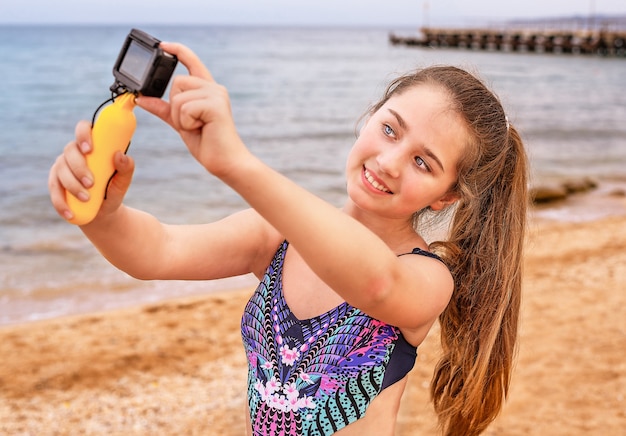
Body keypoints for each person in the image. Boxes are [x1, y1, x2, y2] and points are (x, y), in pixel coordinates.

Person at [48, 42, 528, 436]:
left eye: (425, 162)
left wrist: (236, 163)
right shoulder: (277, 236)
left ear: (445, 198)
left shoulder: (427, 277)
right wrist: (98, 212)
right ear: (369, 116)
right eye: (389, 129)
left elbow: (376, 283)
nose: (389, 161)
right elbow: (156, 252)